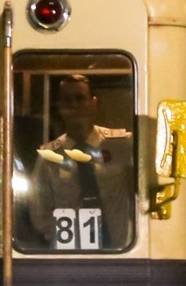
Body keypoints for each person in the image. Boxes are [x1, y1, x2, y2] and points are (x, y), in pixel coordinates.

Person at [28, 74, 133, 250]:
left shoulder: (121, 144)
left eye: (80, 98)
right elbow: (39, 211)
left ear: (93, 103)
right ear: (60, 107)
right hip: (70, 255)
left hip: (121, 252)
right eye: (67, 100)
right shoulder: (49, 156)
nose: (74, 106)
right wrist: (60, 239)